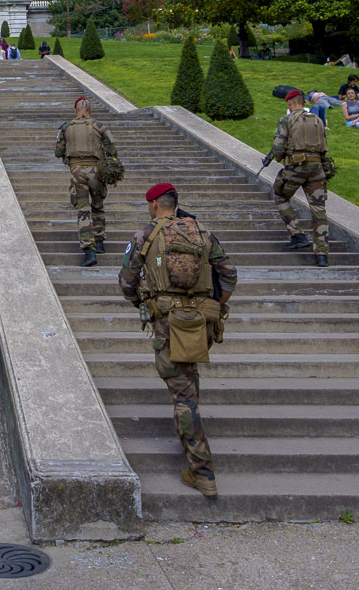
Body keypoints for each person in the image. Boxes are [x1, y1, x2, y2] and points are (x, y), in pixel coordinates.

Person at [118, 183, 236, 498]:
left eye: (149, 204)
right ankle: (195, 462)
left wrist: (144, 304)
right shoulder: (203, 234)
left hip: (168, 324)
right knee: (187, 385)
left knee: (184, 396)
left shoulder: (145, 236)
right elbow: (230, 274)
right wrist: (218, 304)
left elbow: (126, 281)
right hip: (201, 323)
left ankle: (203, 472)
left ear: (155, 205)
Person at [263, 89, 331, 266]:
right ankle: (322, 255)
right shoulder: (317, 120)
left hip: (296, 167)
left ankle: (298, 234)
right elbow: (324, 146)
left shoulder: (287, 120)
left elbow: (277, 147)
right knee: (318, 209)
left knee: (280, 195)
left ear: (290, 103)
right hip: (317, 168)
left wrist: (279, 157)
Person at [55, 96, 118, 266]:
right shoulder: (100, 127)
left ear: (75, 111)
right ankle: (99, 241)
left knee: (83, 211)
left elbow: (58, 152)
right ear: (90, 111)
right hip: (96, 171)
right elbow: (112, 150)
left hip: (77, 172)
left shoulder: (66, 127)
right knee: (98, 206)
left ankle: (88, 252)